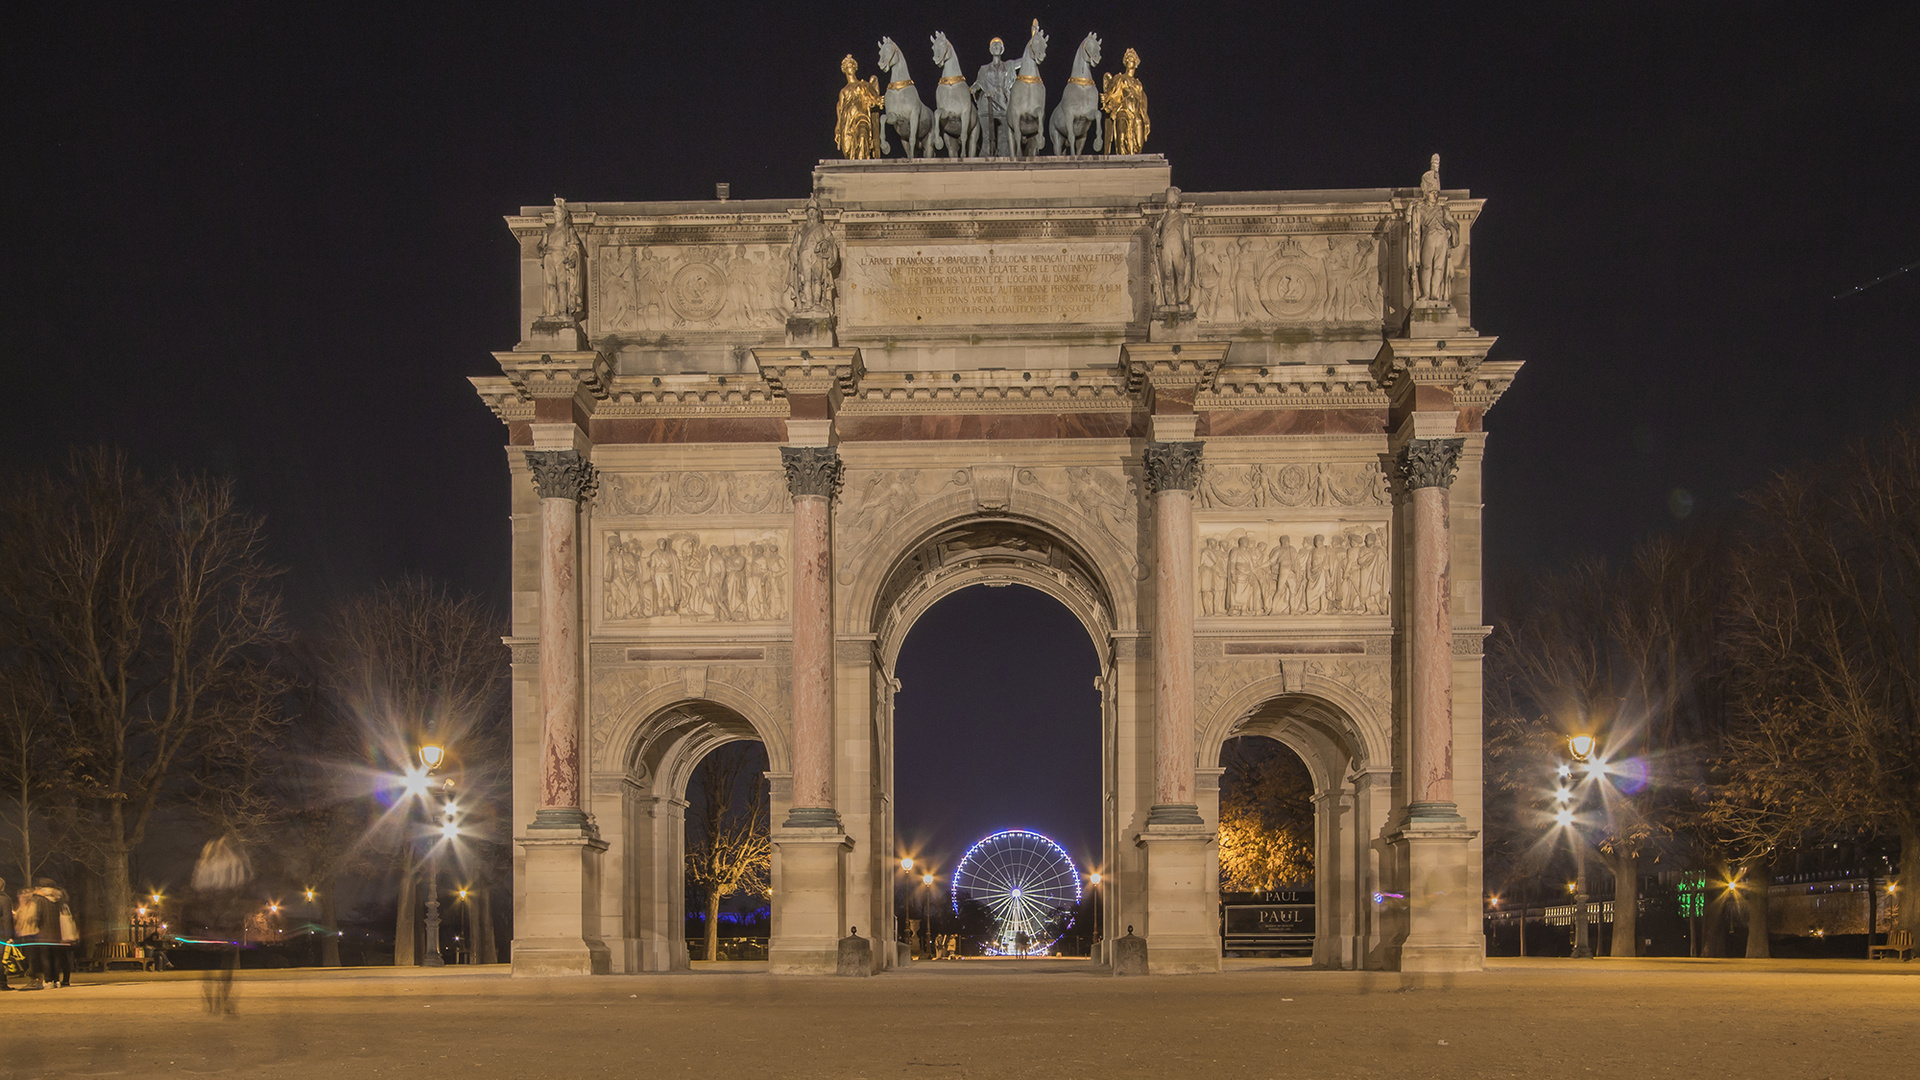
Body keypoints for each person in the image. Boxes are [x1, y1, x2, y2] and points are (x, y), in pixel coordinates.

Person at [189, 836, 253, 1015]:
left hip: (210, 917)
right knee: (227, 962)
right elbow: (244, 880)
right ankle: (223, 1000)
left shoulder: (205, 864)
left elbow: (197, 887)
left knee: (211, 963)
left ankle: (213, 1000)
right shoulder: (232, 862)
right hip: (225, 916)